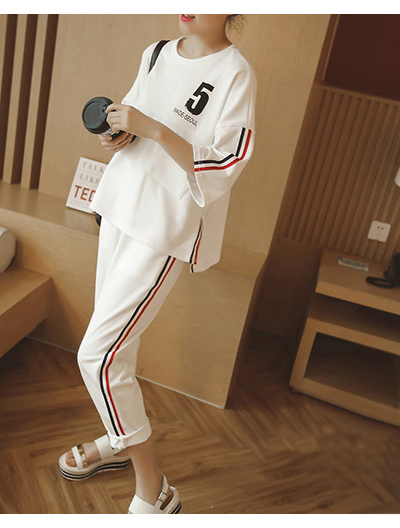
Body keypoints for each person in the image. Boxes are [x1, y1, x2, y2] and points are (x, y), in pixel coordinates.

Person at [58, 14, 256, 514]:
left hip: (163, 227)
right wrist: (119, 135)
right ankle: (116, 441)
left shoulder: (236, 73)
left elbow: (226, 162)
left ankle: (154, 488)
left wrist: (153, 128)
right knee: (117, 350)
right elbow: (132, 123)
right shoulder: (156, 52)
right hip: (120, 206)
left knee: (98, 355)